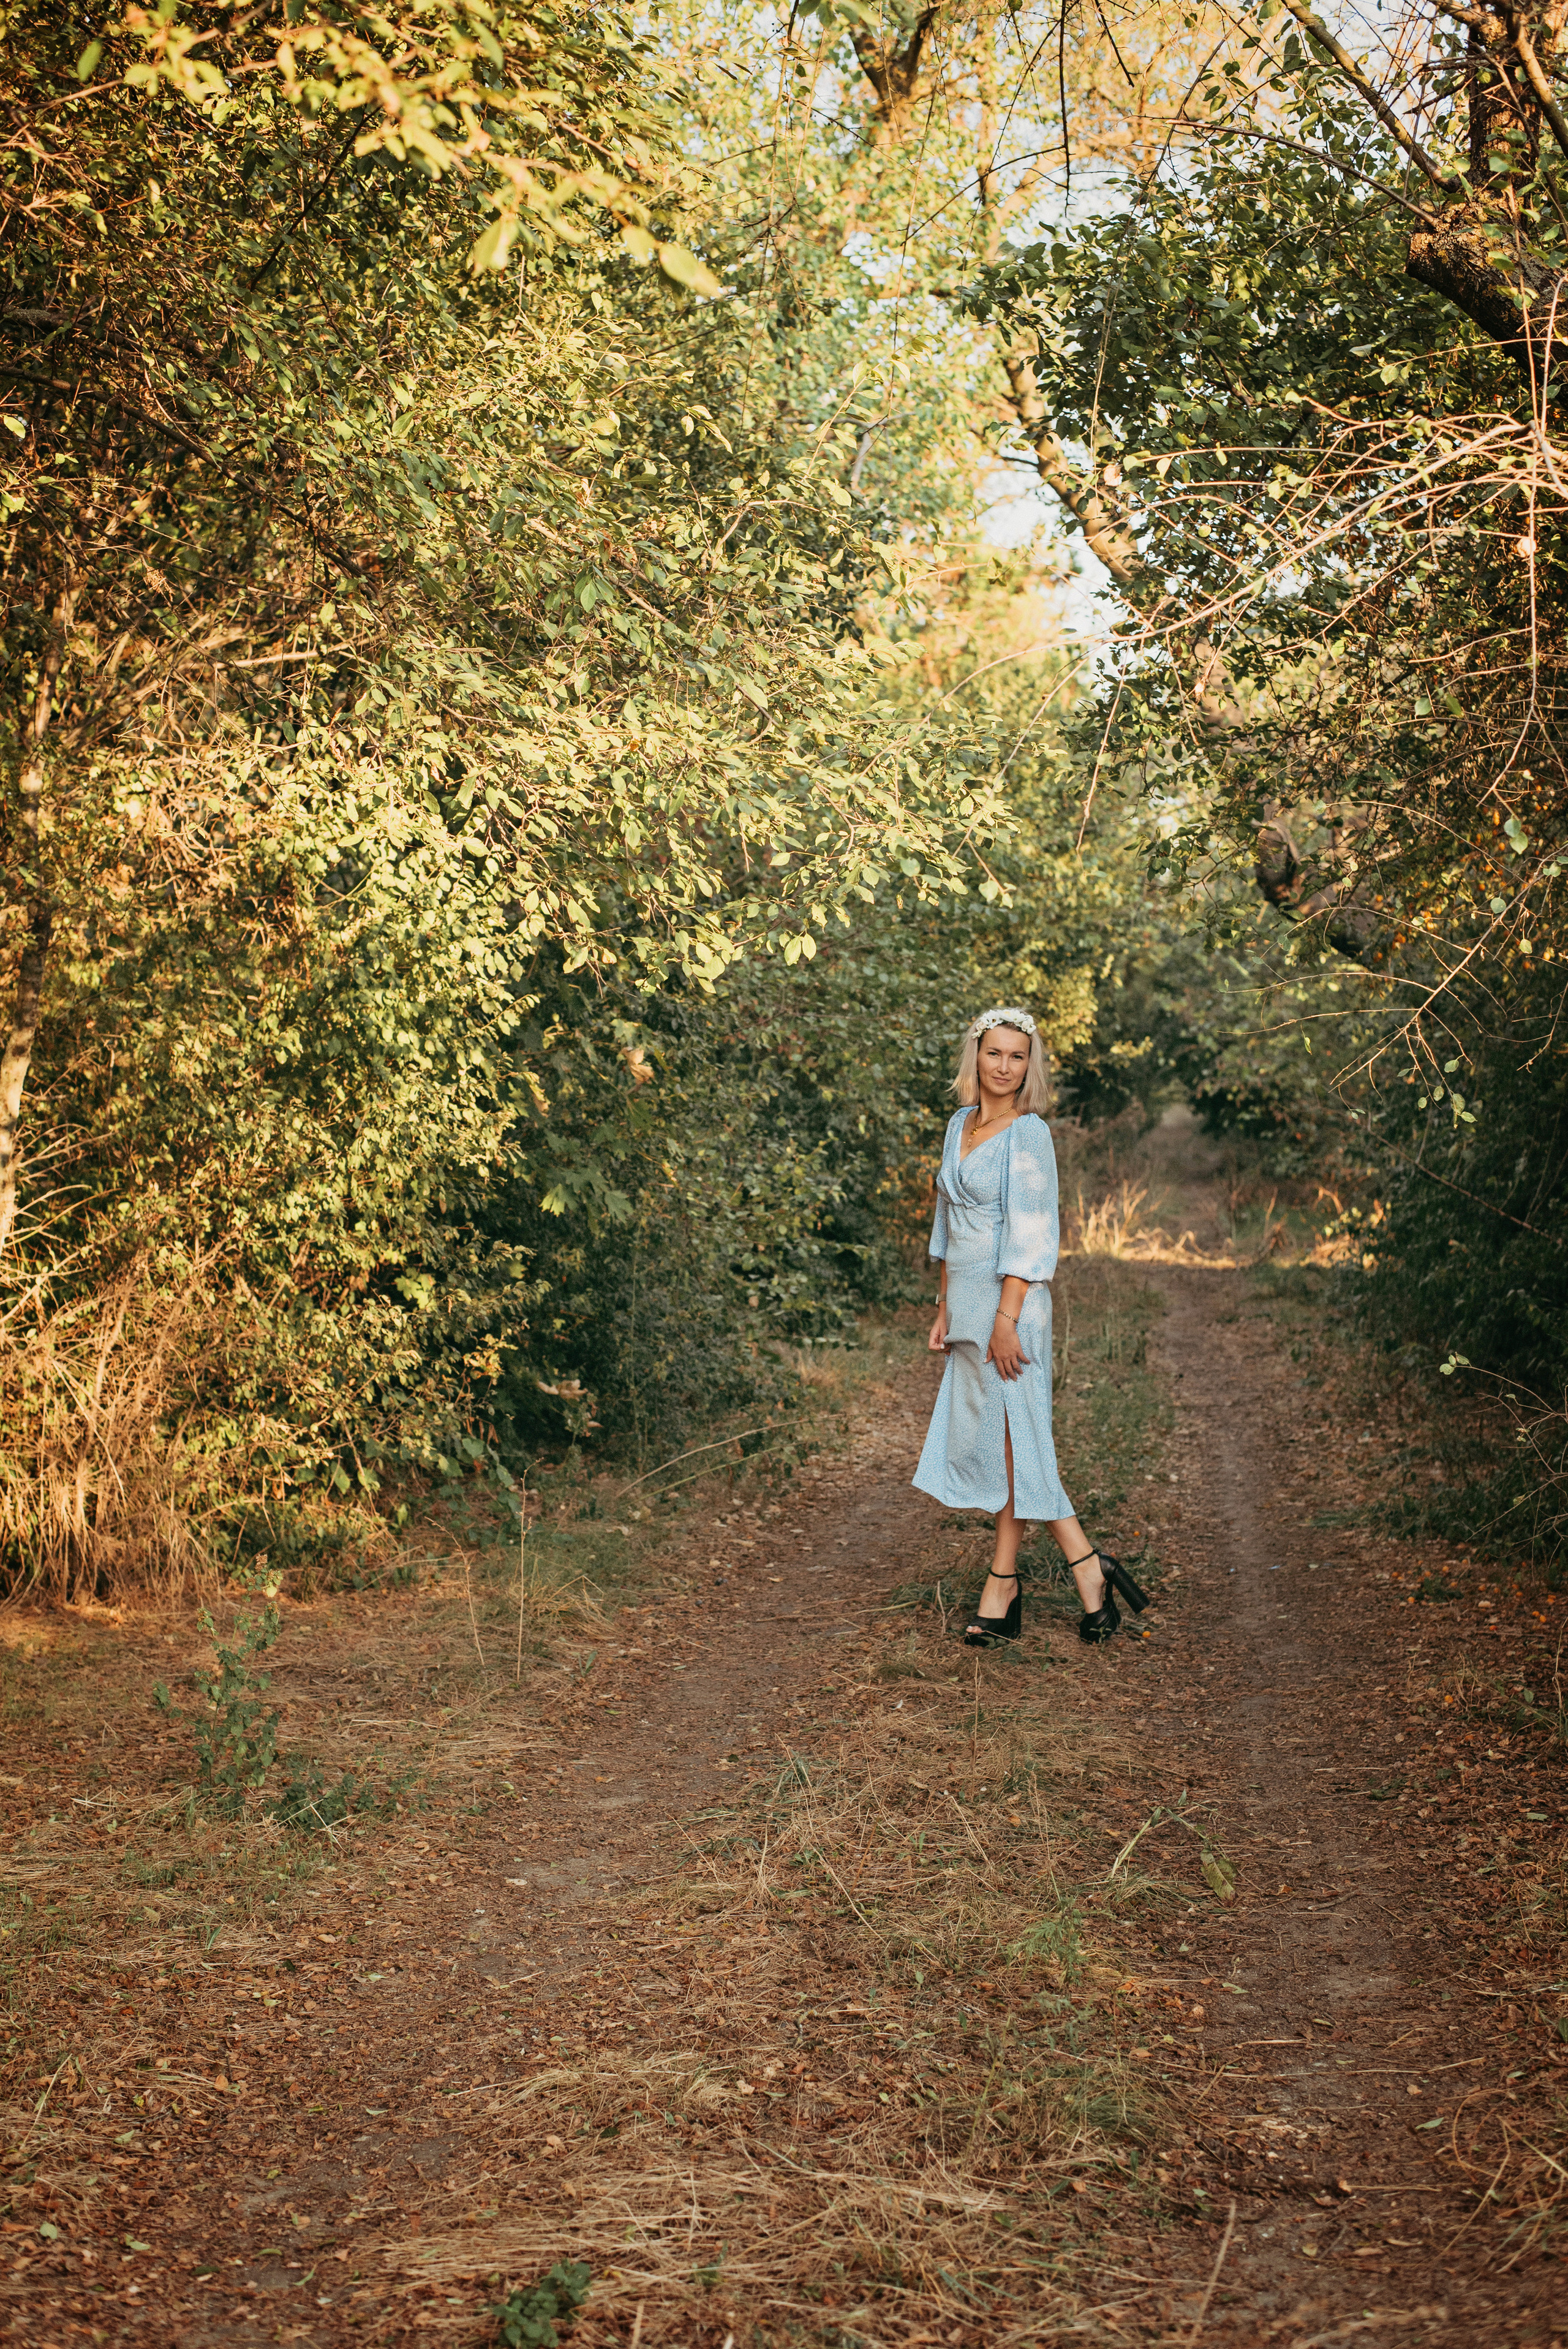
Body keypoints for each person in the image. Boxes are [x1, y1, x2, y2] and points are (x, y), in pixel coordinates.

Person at [911, 1007, 1149, 1645]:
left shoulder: (1028, 1135)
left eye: (1018, 1057)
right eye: (995, 1053)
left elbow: (1032, 1233)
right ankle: (1077, 1569)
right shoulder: (959, 1124)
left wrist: (1005, 1319)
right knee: (1000, 1445)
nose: (1005, 1067)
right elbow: (947, 1220)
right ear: (976, 1054)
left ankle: (1017, 1581)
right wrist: (944, 1306)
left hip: (1010, 1309)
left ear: (1029, 1065)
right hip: (965, 1307)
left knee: (1014, 1443)